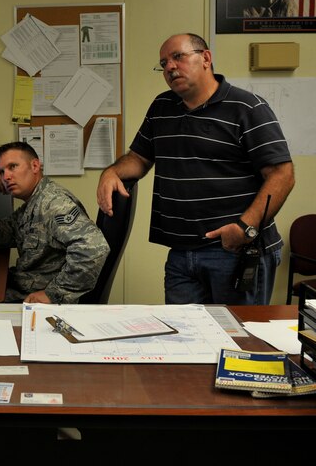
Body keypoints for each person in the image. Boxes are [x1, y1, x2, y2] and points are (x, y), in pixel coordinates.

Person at [97, 33, 294, 306]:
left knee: (237, 341)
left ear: (206, 58)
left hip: (234, 250)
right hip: (181, 254)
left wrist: (244, 228)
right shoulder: (162, 107)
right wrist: (111, 172)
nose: (169, 67)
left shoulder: (247, 108)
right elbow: (139, 159)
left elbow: (282, 175)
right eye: (163, 63)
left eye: (178, 57)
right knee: (185, 343)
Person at [0, 142, 109, 304]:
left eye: (13, 167)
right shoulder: (32, 203)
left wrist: (53, 294)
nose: (6, 177)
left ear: (34, 166)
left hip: (38, 302)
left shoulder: (52, 204)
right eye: (2, 171)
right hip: (23, 287)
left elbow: (94, 249)